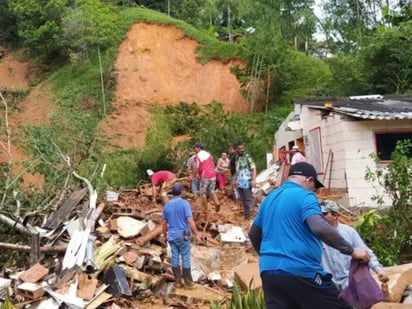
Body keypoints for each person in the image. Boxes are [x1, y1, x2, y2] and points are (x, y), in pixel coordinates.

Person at [248, 162, 371, 309]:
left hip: (269, 273)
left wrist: (269, 257)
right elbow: (319, 227)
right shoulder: (305, 195)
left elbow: (254, 233)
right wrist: (351, 250)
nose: (315, 192)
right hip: (301, 271)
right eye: (315, 188)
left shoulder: (269, 198)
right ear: (309, 180)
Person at [320, 200, 389, 290]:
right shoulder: (315, 235)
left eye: (324, 213)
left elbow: (365, 252)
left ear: (335, 215)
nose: (320, 216)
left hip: (348, 285)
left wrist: (378, 269)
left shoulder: (349, 232)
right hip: (327, 286)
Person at [162, 183, 201, 289]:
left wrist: (164, 236)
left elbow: (164, 223)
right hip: (183, 235)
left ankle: (178, 282)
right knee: (185, 257)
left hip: (172, 236)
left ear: (172, 192)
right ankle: (188, 283)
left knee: (174, 257)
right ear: (181, 192)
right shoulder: (185, 204)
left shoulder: (167, 205)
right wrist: (197, 234)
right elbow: (189, 220)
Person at [193, 143, 220, 212]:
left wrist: (194, 175)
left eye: (195, 148)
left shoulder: (197, 156)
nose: (194, 149)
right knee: (211, 190)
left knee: (203, 193)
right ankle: (217, 202)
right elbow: (213, 165)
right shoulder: (209, 155)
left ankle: (204, 209)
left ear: (198, 148)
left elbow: (197, 167)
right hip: (212, 174)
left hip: (204, 175)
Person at [234, 142, 256, 219]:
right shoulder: (237, 157)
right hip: (240, 182)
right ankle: (246, 216)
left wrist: (253, 179)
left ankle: (251, 217)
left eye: (242, 148)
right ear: (236, 149)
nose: (241, 150)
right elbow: (237, 170)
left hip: (247, 181)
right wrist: (235, 180)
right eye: (239, 149)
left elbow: (253, 168)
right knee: (243, 200)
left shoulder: (247, 156)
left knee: (248, 199)